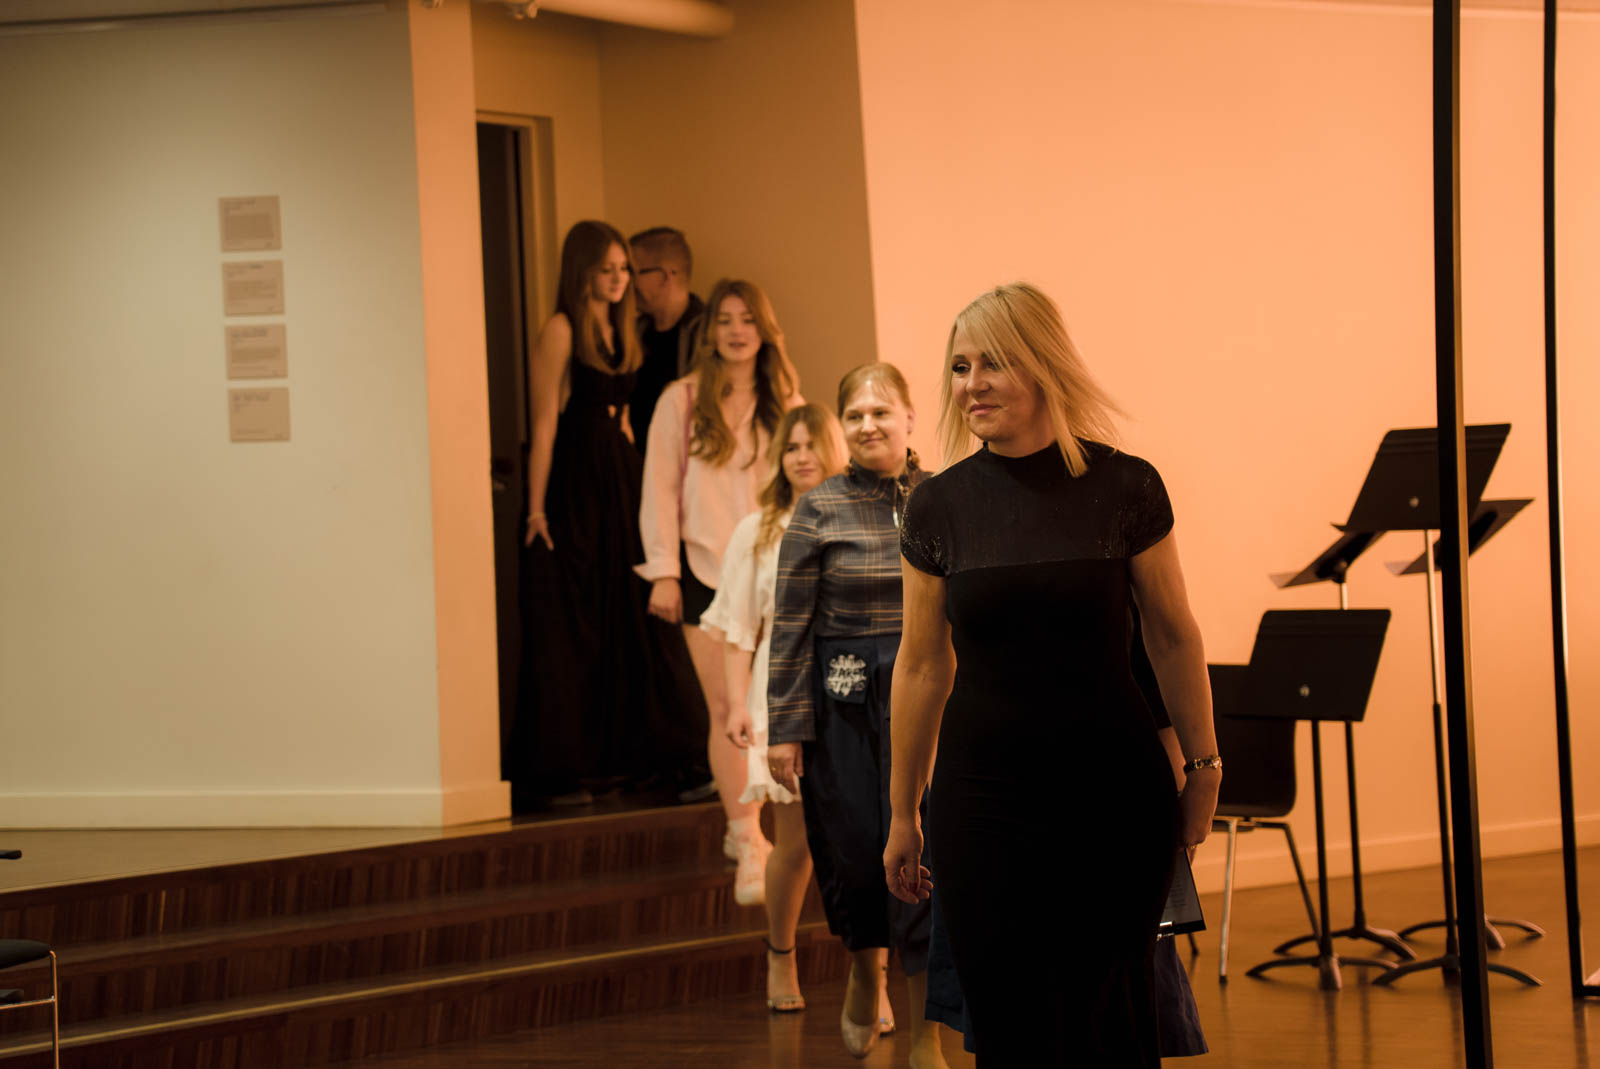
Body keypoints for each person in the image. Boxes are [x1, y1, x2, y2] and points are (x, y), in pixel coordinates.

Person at [883, 282, 1219, 1065]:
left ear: (1043, 365)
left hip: (1113, 795)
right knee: (1008, 1025)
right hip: (983, 802)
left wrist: (1203, 766)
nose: (971, 383)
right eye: (959, 366)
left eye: (993, 363)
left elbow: (1173, 635)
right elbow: (922, 665)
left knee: (1111, 1018)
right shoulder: (937, 507)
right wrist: (901, 812)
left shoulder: (1126, 487)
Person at [767, 363, 948, 1068]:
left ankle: (927, 1033)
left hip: (928, 694)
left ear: (909, 417)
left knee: (926, 856)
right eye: (854, 415)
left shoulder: (941, 497)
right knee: (853, 847)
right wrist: (786, 729)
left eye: (881, 411)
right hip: (843, 704)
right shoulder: (818, 507)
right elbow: (790, 626)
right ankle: (864, 968)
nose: (868, 425)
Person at [507, 220, 708, 810]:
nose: (620, 279)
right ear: (583, 272)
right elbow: (545, 423)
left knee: (634, 614)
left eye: (625, 269)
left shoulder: (623, 329)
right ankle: (566, 768)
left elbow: (623, 416)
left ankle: (652, 760)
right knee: (577, 617)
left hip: (623, 475)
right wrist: (536, 508)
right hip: (577, 480)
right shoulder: (561, 328)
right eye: (608, 269)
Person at [638, 279, 802, 898]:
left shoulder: (784, 400)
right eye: (725, 320)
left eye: (747, 319)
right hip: (705, 570)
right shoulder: (679, 400)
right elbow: (659, 489)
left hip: (775, 571)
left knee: (775, 707)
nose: (736, 331)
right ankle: (747, 837)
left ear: (764, 330)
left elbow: (809, 478)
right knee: (727, 708)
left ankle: (783, 831)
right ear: (709, 333)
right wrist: (663, 571)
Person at [700, 403, 846, 1011]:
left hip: (851, 689)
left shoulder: (860, 516)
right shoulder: (757, 531)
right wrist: (737, 704)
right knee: (798, 842)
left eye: (813, 444)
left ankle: (869, 975)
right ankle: (780, 956)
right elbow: (738, 630)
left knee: (862, 840)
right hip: (782, 693)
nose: (802, 456)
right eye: (791, 447)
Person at [628, 227, 704, 451]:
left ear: (664, 277)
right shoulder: (634, 330)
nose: (626, 281)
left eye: (633, 272)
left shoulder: (707, 335)